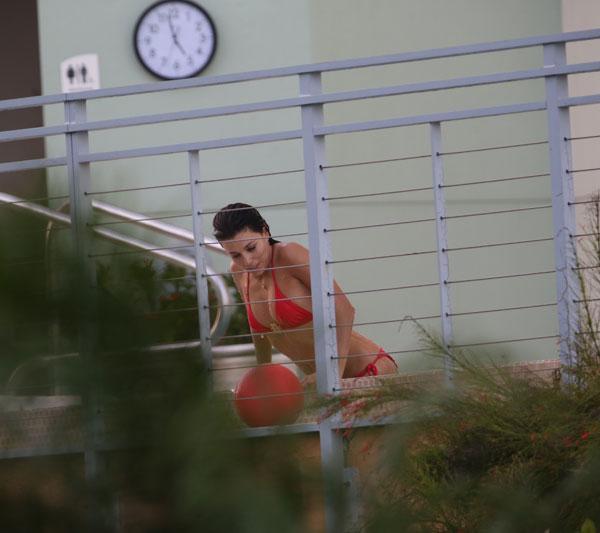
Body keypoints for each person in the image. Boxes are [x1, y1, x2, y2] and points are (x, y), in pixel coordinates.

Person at [212, 203, 397, 384]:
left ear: (265, 231)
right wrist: (264, 376)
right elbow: (258, 330)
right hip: (324, 384)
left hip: (367, 372)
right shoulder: (238, 272)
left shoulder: (289, 255)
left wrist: (332, 374)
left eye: (251, 248)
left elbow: (344, 309)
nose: (248, 261)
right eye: (235, 255)